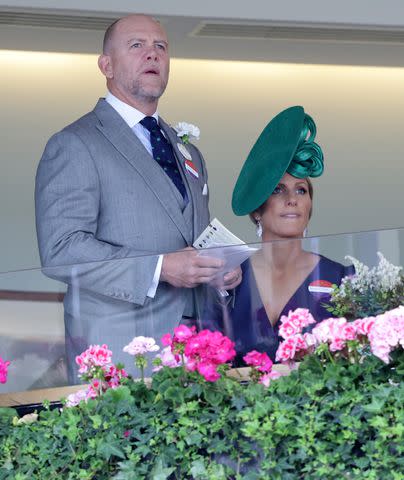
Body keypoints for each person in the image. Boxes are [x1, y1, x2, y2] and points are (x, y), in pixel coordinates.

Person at [35, 14, 240, 382]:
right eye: (137, 46)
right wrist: (160, 268)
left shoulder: (185, 149)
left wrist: (218, 270)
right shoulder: (75, 144)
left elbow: (188, 238)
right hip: (123, 353)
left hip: (200, 351)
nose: (152, 55)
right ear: (106, 65)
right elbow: (61, 250)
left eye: (161, 47)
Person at [203, 106, 353, 364]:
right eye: (278, 190)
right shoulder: (229, 278)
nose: (292, 199)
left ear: (310, 206)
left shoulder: (341, 278)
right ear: (258, 210)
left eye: (301, 190)